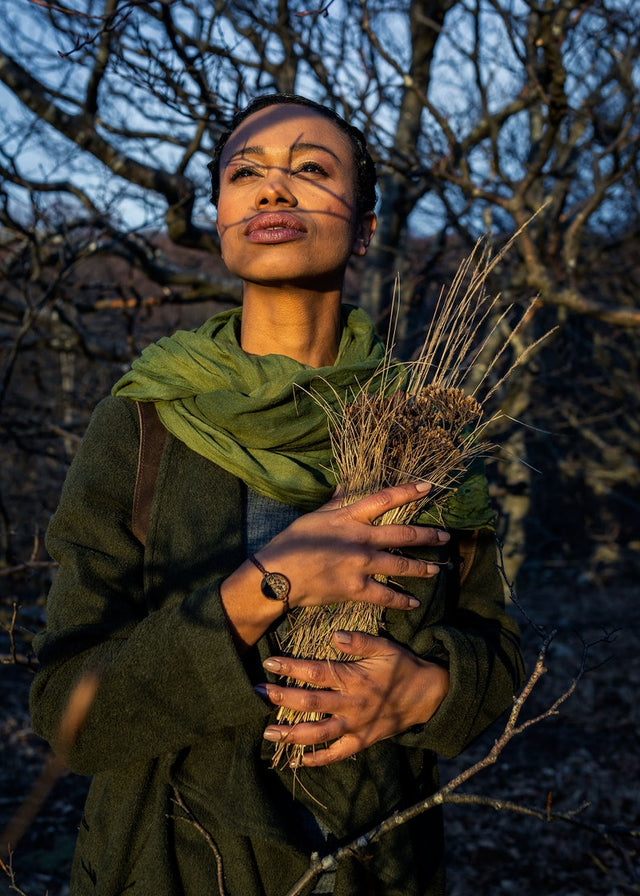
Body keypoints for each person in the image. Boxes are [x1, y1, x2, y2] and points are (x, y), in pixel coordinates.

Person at [30, 94, 524, 896]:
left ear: (364, 228)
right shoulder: (145, 420)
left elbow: (496, 657)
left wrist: (429, 691)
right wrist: (271, 584)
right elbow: (68, 714)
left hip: (375, 866)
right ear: (222, 218)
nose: (272, 188)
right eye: (245, 173)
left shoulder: (426, 428)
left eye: (311, 169)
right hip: (169, 868)